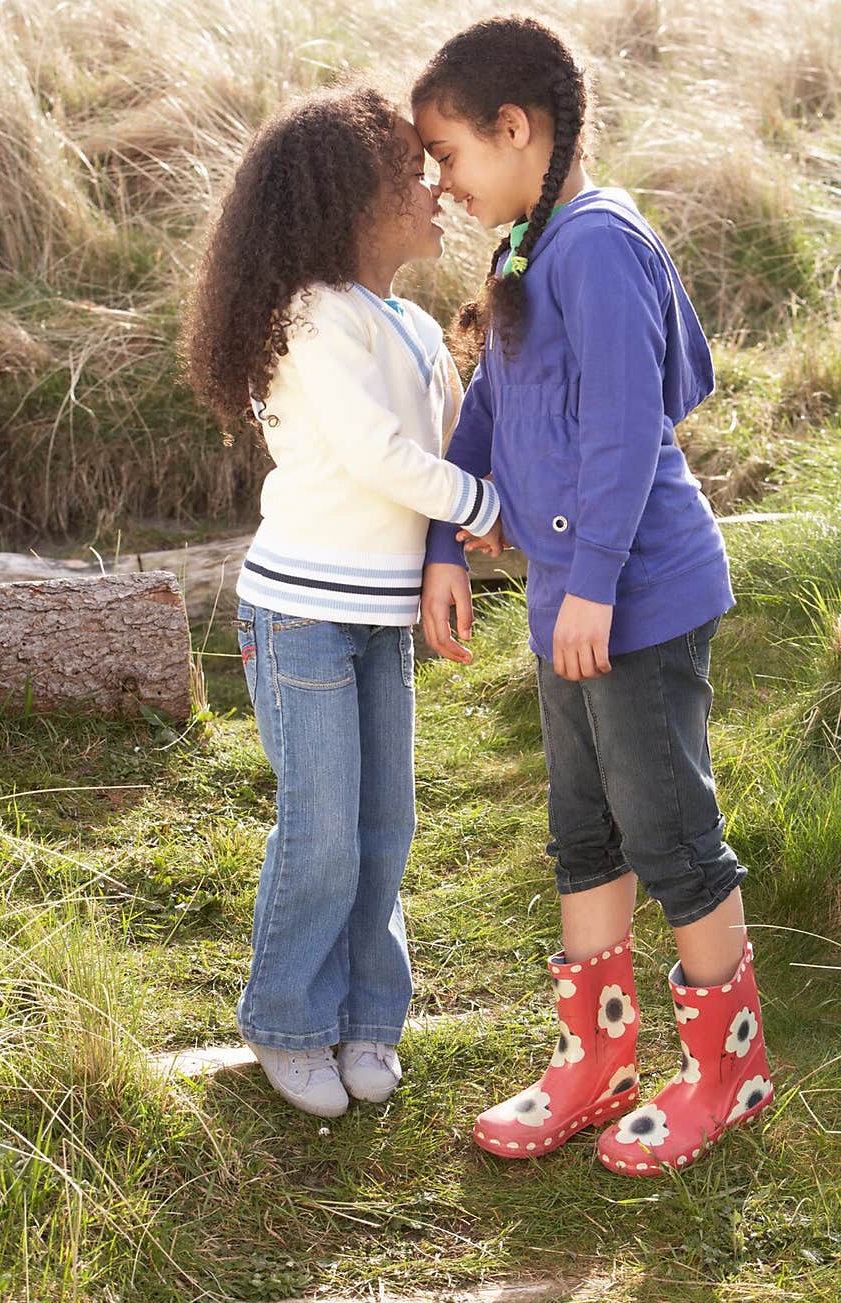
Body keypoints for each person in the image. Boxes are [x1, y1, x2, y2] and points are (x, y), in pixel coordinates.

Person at [411, 16, 773, 1175]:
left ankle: (729, 1068)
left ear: (515, 129)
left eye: (450, 155)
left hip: (636, 599)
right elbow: (484, 411)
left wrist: (594, 585)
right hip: (576, 597)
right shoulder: (530, 242)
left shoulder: (596, 244)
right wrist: (445, 540)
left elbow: (629, 422)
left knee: (667, 826)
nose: (444, 184)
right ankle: (597, 1060)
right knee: (582, 825)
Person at [182, 86, 502, 1119]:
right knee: (321, 826)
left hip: (379, 617)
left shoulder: (407, 323)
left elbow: (445, 445)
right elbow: (380, 457)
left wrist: (467, 514)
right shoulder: (309, 318)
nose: (433, 186)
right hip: (302, 613)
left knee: (385, 826)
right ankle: (286, 1019)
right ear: (348, 200)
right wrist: (485, 502)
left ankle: (370, 1016)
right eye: (410, 172)